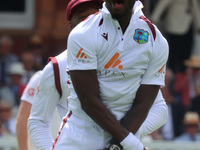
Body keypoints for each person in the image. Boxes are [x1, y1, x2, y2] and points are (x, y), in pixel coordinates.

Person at [53, 0, 169, 150]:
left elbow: (143, 104)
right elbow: (89, 102)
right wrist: (131, 143)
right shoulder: (82, 33)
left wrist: (116, 145)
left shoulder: (156, 39)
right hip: (78, 139)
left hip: (123, 140)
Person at [16, 0, 104, 150]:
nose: (91, 23)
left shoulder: (125, 59)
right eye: (83, 18)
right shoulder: (52, 70)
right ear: (71, 25)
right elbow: (29, 121)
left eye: (96, 16)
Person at [150, 0, 200, 74]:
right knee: (174, 55)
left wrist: (198, 25)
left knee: (186, 56)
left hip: (187, 27)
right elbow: (163, 3)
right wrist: (154, 19)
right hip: (174, 26)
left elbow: (195, 8)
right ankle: (172, 77)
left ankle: (182, 78)